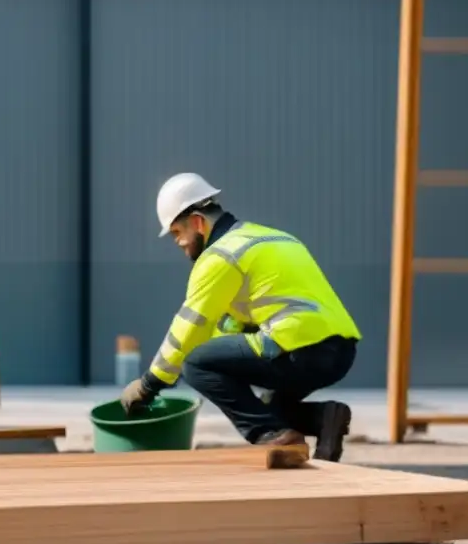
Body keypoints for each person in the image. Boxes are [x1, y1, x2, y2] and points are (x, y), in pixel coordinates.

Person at [118, 172, 361, 462]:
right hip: (341, 351)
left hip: (299, 348)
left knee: (194, 363)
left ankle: (271, 435)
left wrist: (149, 384)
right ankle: (324, 418)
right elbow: (229, 329)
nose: (178, 242)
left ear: (197, 222)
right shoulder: (271, 237)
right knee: (266, 406)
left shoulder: (219, 256)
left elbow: (189, 327)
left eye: (176, 232)